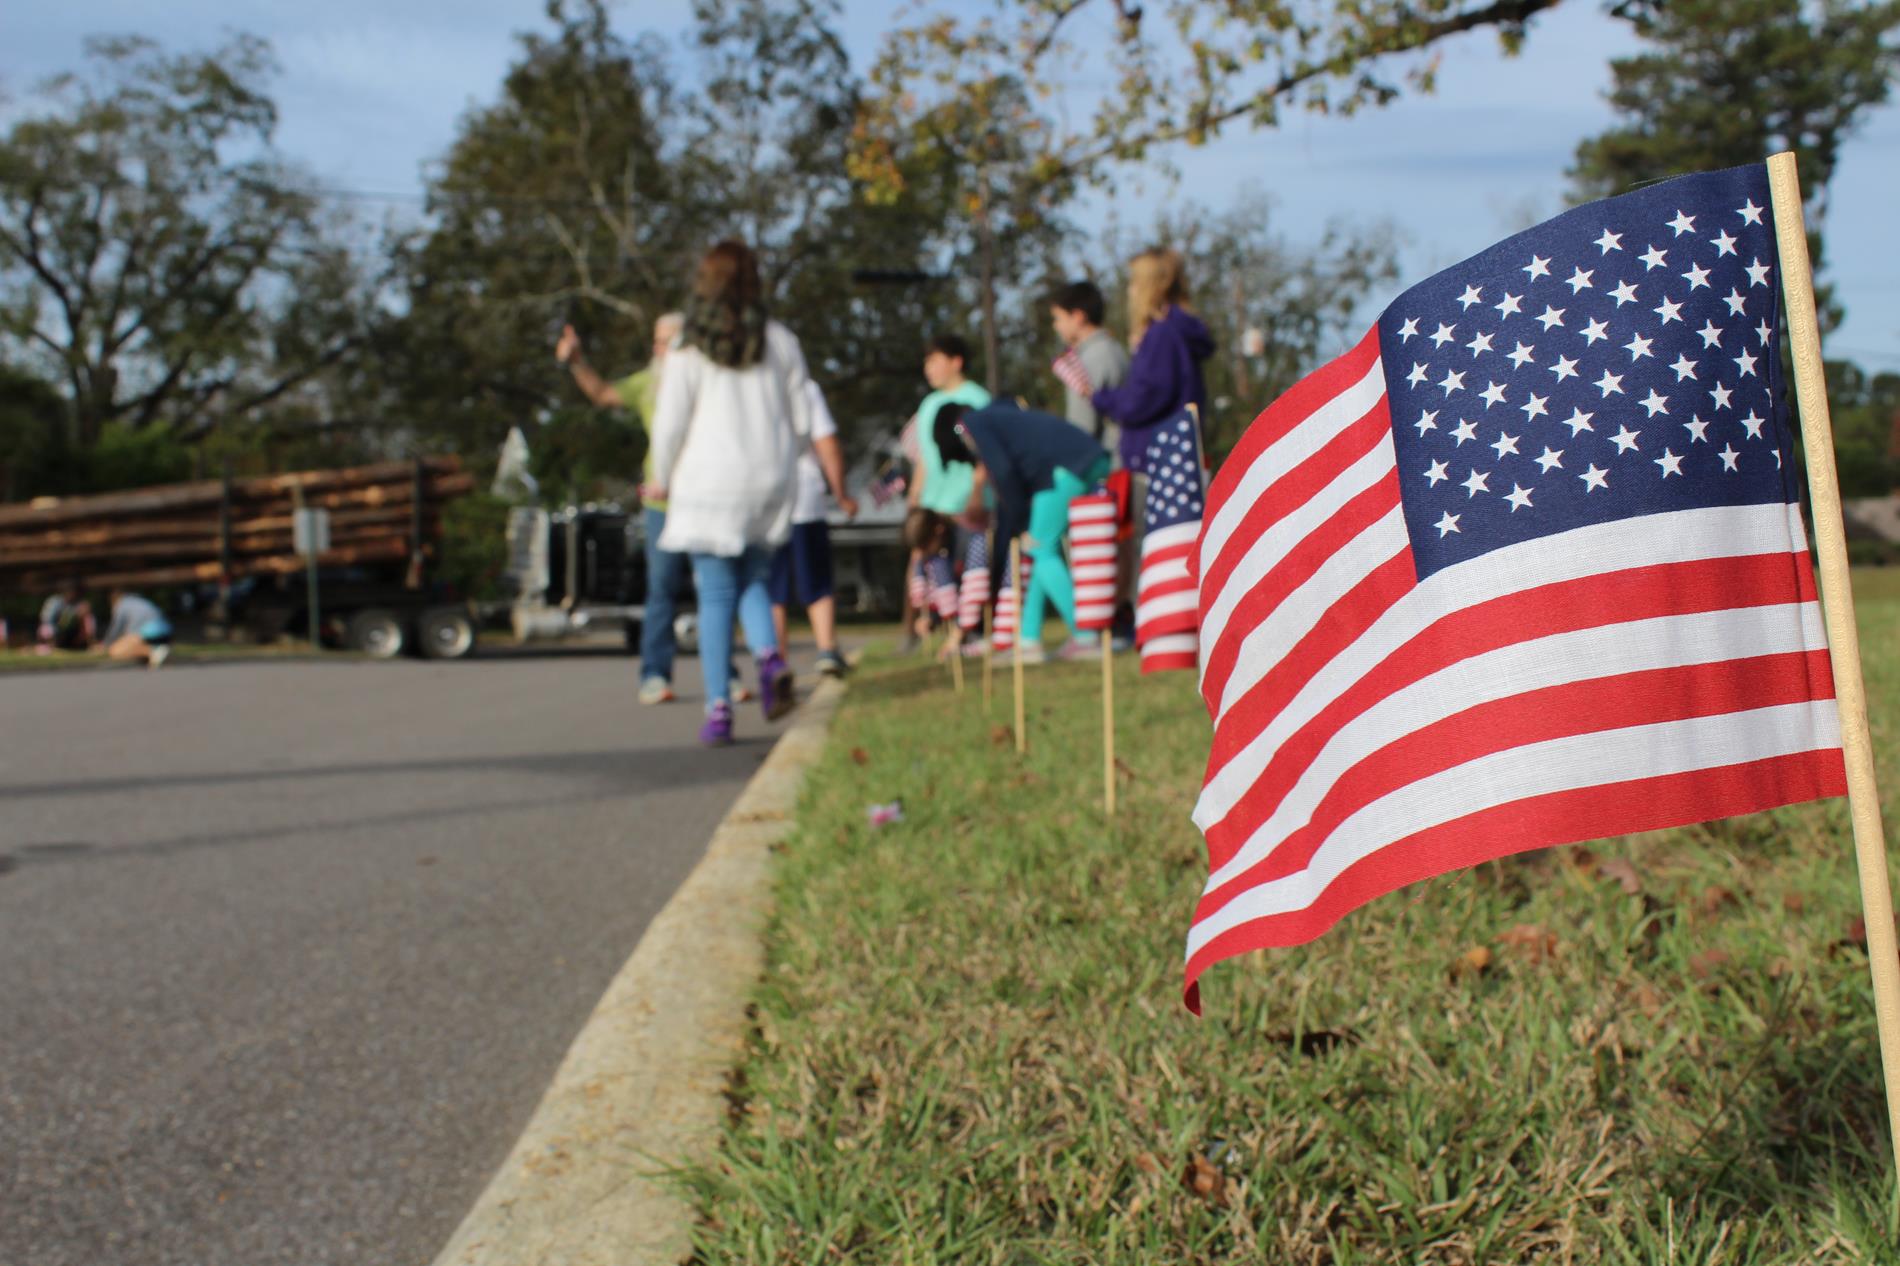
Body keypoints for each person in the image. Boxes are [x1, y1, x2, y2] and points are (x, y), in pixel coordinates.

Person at [646, 239, 814, 746]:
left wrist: (662, 473)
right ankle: (768, 655)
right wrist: (786, 459)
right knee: (756, 580)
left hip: (708, 484)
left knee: (715, 593)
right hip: (767, 480)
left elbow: (670, 421)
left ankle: (719, 709)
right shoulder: (781, 340)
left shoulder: (688, 345)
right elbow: (803, 420)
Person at [556, 312, 708, 706]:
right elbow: (603, 394)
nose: (658, 348)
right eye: (656, 340)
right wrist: (577, 361)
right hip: (662, 504)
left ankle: (726, 675)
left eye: (667, 340)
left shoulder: (711, 381)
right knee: (662, 589)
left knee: (716, 589)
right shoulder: (649, 384)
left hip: (707, 500)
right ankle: (655, 676)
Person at [932, 401, 1110, 662]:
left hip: (1064, 466)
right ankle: (1028, 640)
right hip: (1076, 460)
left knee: (1039, 547)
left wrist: (1020, 522)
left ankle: (1085, 636)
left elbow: (1003, 472)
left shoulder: (973, 424)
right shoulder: (989, 418)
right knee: (1036, 550)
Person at [1090, 248, 1214, 473]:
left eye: (1134, 282)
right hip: (1172, 458)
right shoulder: (1175, 332)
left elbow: (1144, 398)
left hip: (1157, 462)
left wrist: (1101, 397)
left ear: (1151, 287)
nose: (1130, 291)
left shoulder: (1162, 335)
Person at [770, 379, 858, 678]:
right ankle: (826, 649)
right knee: (817, 582)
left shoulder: (739, 382)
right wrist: (841, 493)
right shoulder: (803, 387)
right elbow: (826, 442)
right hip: (803, 497)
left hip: (760, 505)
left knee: (772, 589)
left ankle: (776, 662)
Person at [1048, 280, 1131, 451]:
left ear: (1078, 316)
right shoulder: (1114, 348)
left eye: (1058, 318)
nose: (1055, 326)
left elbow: (1083, 428)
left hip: (1106, 464)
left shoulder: (1091, 358)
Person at [95, 588, 172, 668]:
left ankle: (153, 651)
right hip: (166, 632)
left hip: (149, 632)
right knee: (127, 644)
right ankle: (157, 653)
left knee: (115, 651)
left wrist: (105, 645)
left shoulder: (121, 605)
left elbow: (115, 629)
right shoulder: (137, 600)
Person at [36, 581, 93, 653]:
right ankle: (48, 645)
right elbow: (47, 619)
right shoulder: (55, 602)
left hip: (67, 631)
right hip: (54, 629)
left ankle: (82, 644)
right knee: (47, 629)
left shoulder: (74, 604)